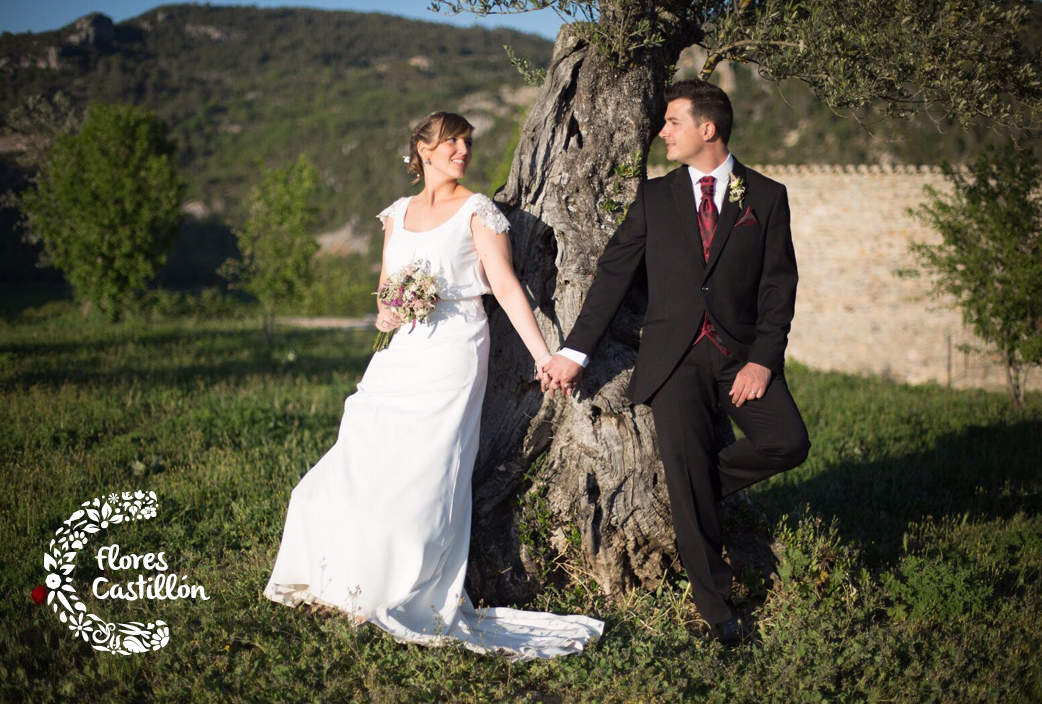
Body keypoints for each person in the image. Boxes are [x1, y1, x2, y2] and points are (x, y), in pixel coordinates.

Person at [263, 111, 604, 660]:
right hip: (402, 353)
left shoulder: (478, 212)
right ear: (421, 150)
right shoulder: (396, 215)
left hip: (453, 353)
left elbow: (507, 287)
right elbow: (383, 291)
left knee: (424, 469)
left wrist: (546, 355)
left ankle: (396, 590)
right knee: (362, 456)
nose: (462, 151)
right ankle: (342, 580)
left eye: (466, 142)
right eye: (450, 142)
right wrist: (390, 310)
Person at [541, 80, 811, 646]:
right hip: (673, 362)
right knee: (691, 479)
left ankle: (691, 489)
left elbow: (777, 288)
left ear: (706, 129)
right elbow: (613, 274)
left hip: (741, 358)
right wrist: (574, 352)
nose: (662, 132)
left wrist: (763, 360)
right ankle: (718, 611)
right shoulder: (655, 199)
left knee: (788, 442)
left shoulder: (765, 195)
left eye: (673, 122)